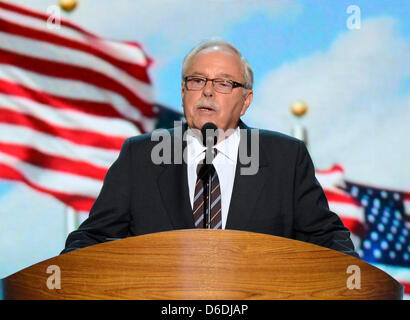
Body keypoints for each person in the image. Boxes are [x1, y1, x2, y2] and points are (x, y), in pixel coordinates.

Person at [61, 39, 358, 258]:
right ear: (182, 93)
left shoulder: (285, 159)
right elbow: (91, 240)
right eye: (197, 80)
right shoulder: (140, 157)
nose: (207, 91)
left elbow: (329, 242)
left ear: (246, 101)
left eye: (224, 83)